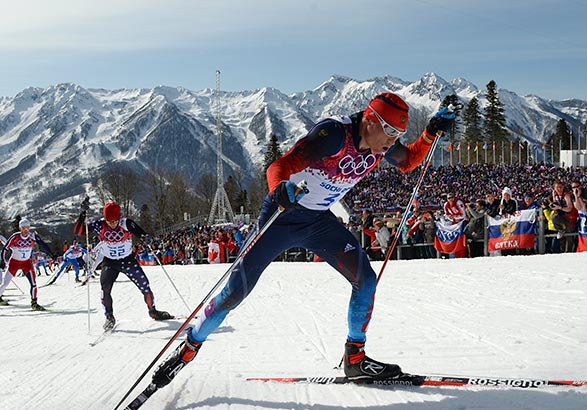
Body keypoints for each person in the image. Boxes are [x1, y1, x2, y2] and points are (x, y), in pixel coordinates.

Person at [152, 92, 457, 388]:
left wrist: (429, 132)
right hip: (282, 216)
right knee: (235, 292)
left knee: (365, 280)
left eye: (399, 133)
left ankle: (355, 358)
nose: (393, 139)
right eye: (390, 130)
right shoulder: (334, 134)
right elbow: (279, 166)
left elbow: (408, 161)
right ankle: (189, 346)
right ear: (370, 120)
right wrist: (279, 188)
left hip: (318, 221)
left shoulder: (380, 145)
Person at [74, 202, 174, 331]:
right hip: (110, 262)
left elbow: (141, 233)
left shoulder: (126, 223)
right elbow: (78, 231)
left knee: (145, 285)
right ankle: (109, 317)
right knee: (105, 289)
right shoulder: (100, 225)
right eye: (109, 221)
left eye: (115, 221)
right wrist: (82, 215)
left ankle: (153, 311)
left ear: (119, 217)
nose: (112, 224)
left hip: (128, 261)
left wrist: (146, 238)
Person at [0, 218, 53, 310]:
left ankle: (34, 303)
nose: (26, 230)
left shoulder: (32, 236)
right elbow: (5, 248)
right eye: (23, 228)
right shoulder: (15, 237)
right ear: (20, 228)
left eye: (27, 228)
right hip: (14, 263)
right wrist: (3, 261)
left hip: (26, 263)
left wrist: (51, 254)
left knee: (34, 284)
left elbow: (43, 244)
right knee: (5, 284)